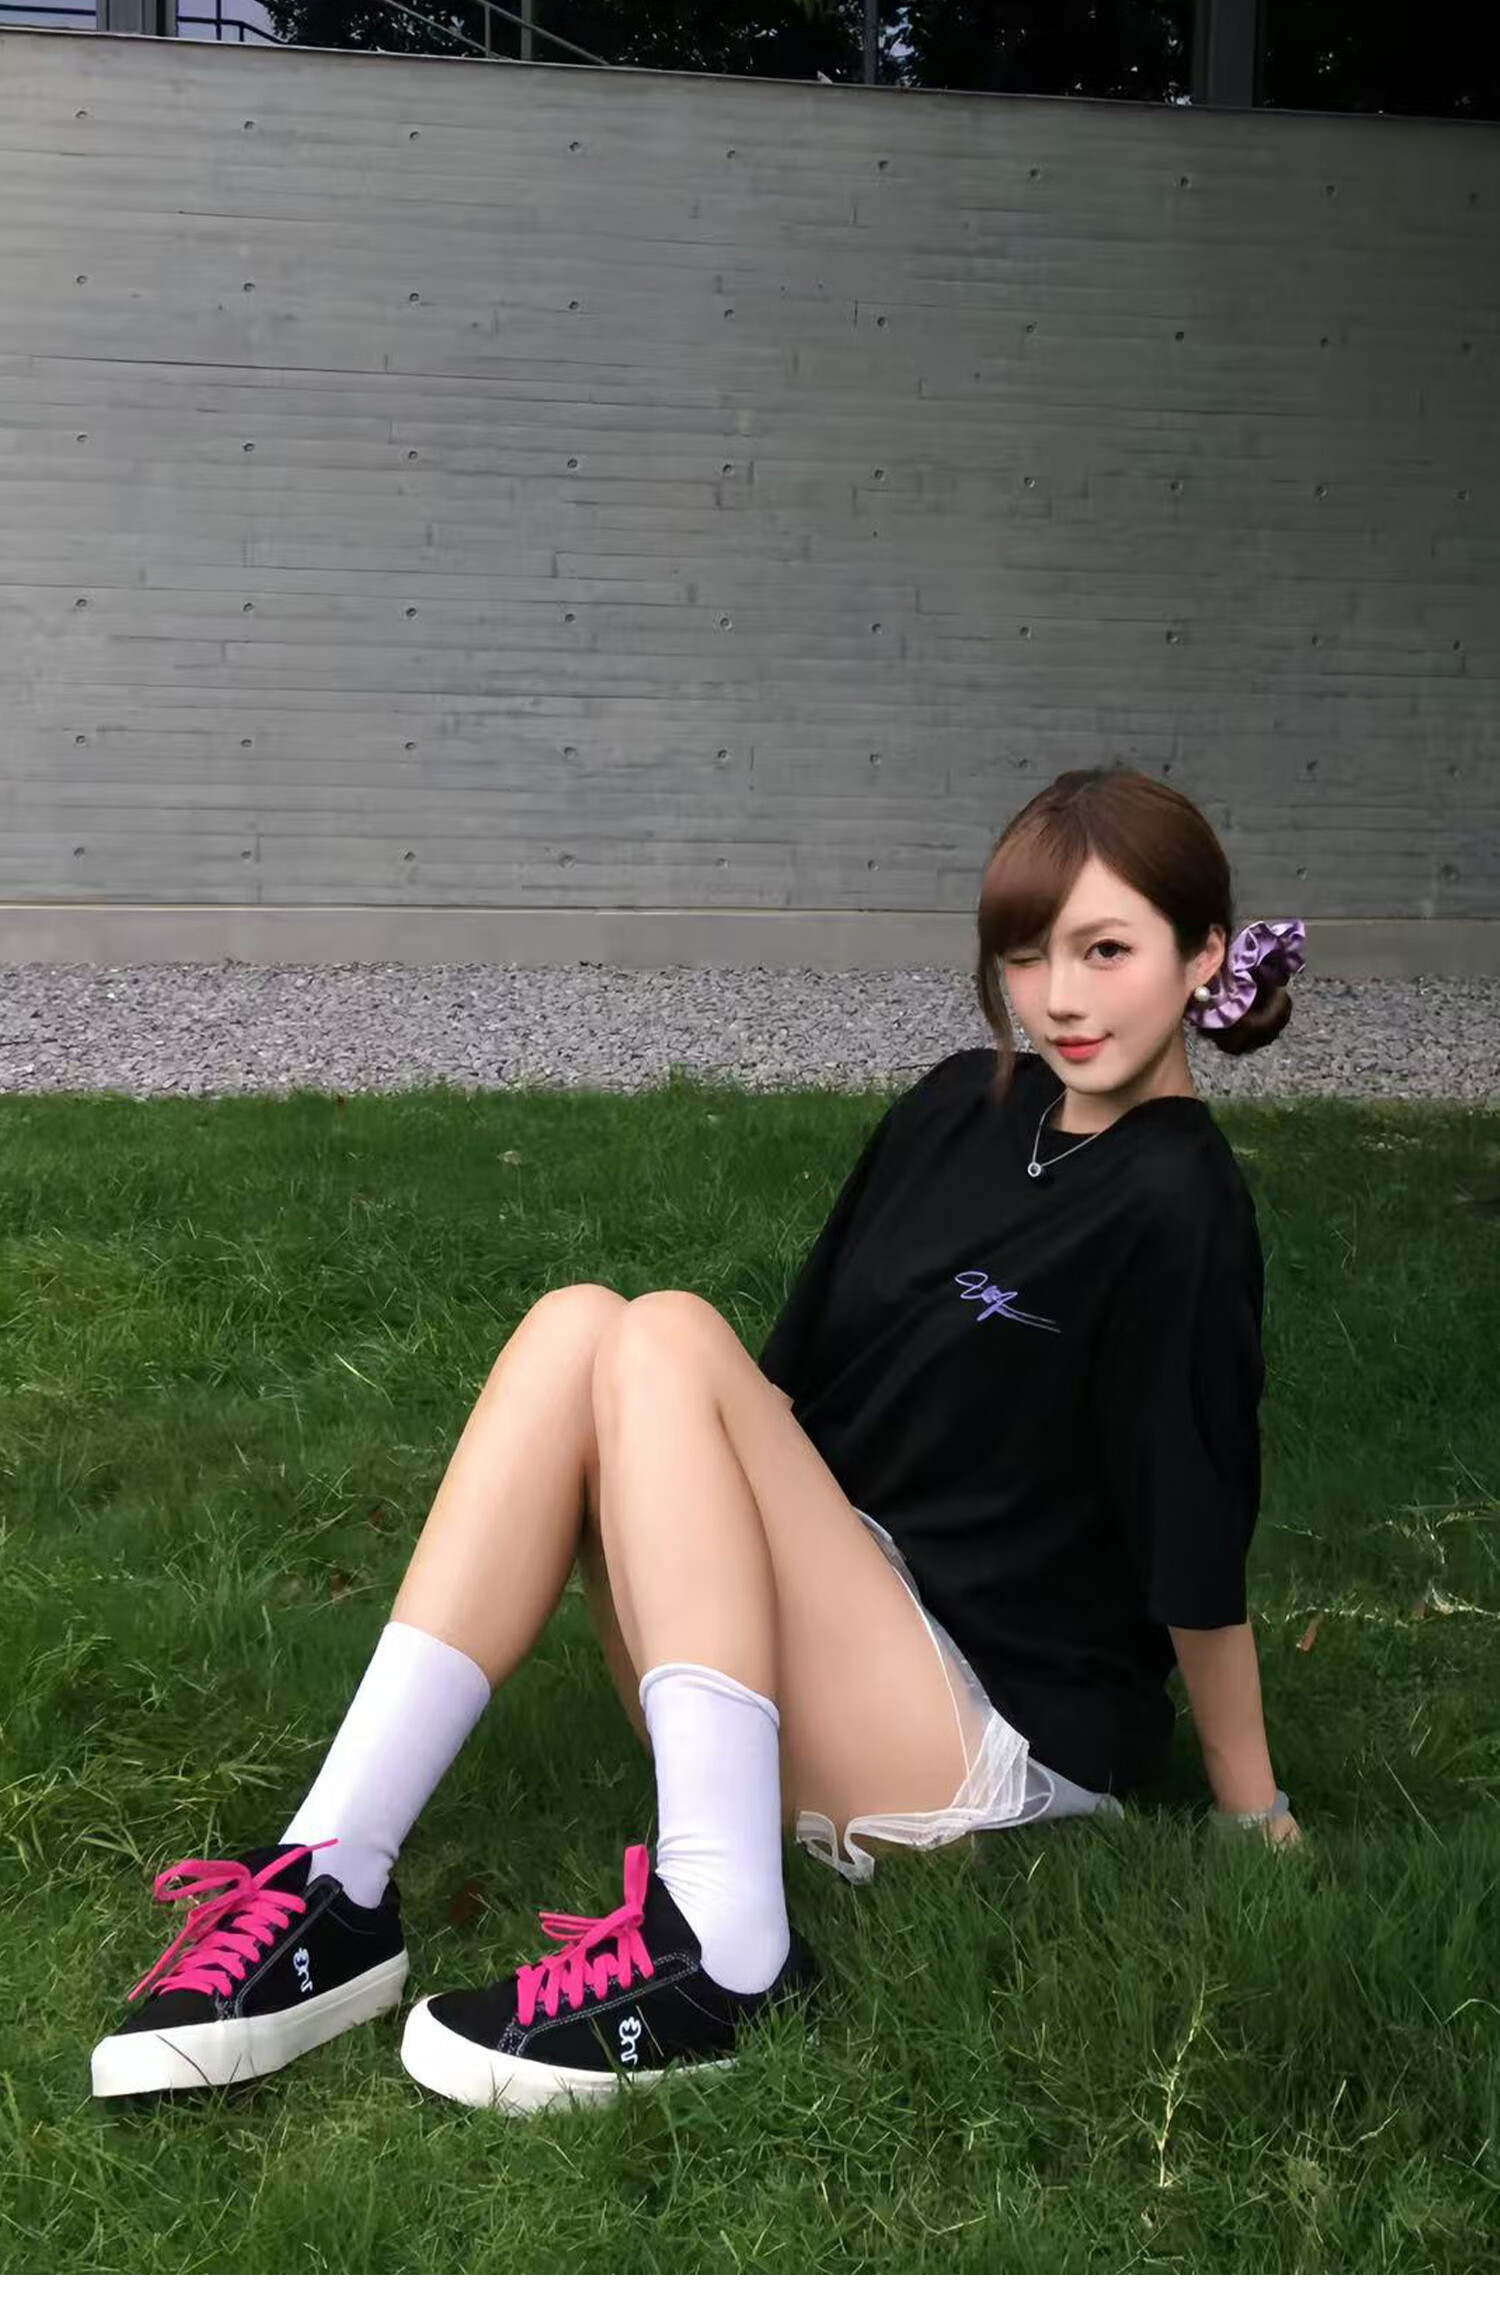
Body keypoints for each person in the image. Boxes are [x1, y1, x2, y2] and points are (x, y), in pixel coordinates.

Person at [91, 764, 1307, 2115]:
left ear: (1204, 954)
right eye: (1027, 955)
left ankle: (729, 1949)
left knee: (665, 1330)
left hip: (985, 1729)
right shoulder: (960, 1104)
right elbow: (789, 1396)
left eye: (1106, 951)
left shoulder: (1181, 1200)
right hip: (825, 1645)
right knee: (579, 1325)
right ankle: (333, 1877)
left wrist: (1250, 1806)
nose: (1061, 998)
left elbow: (1196, 1518)